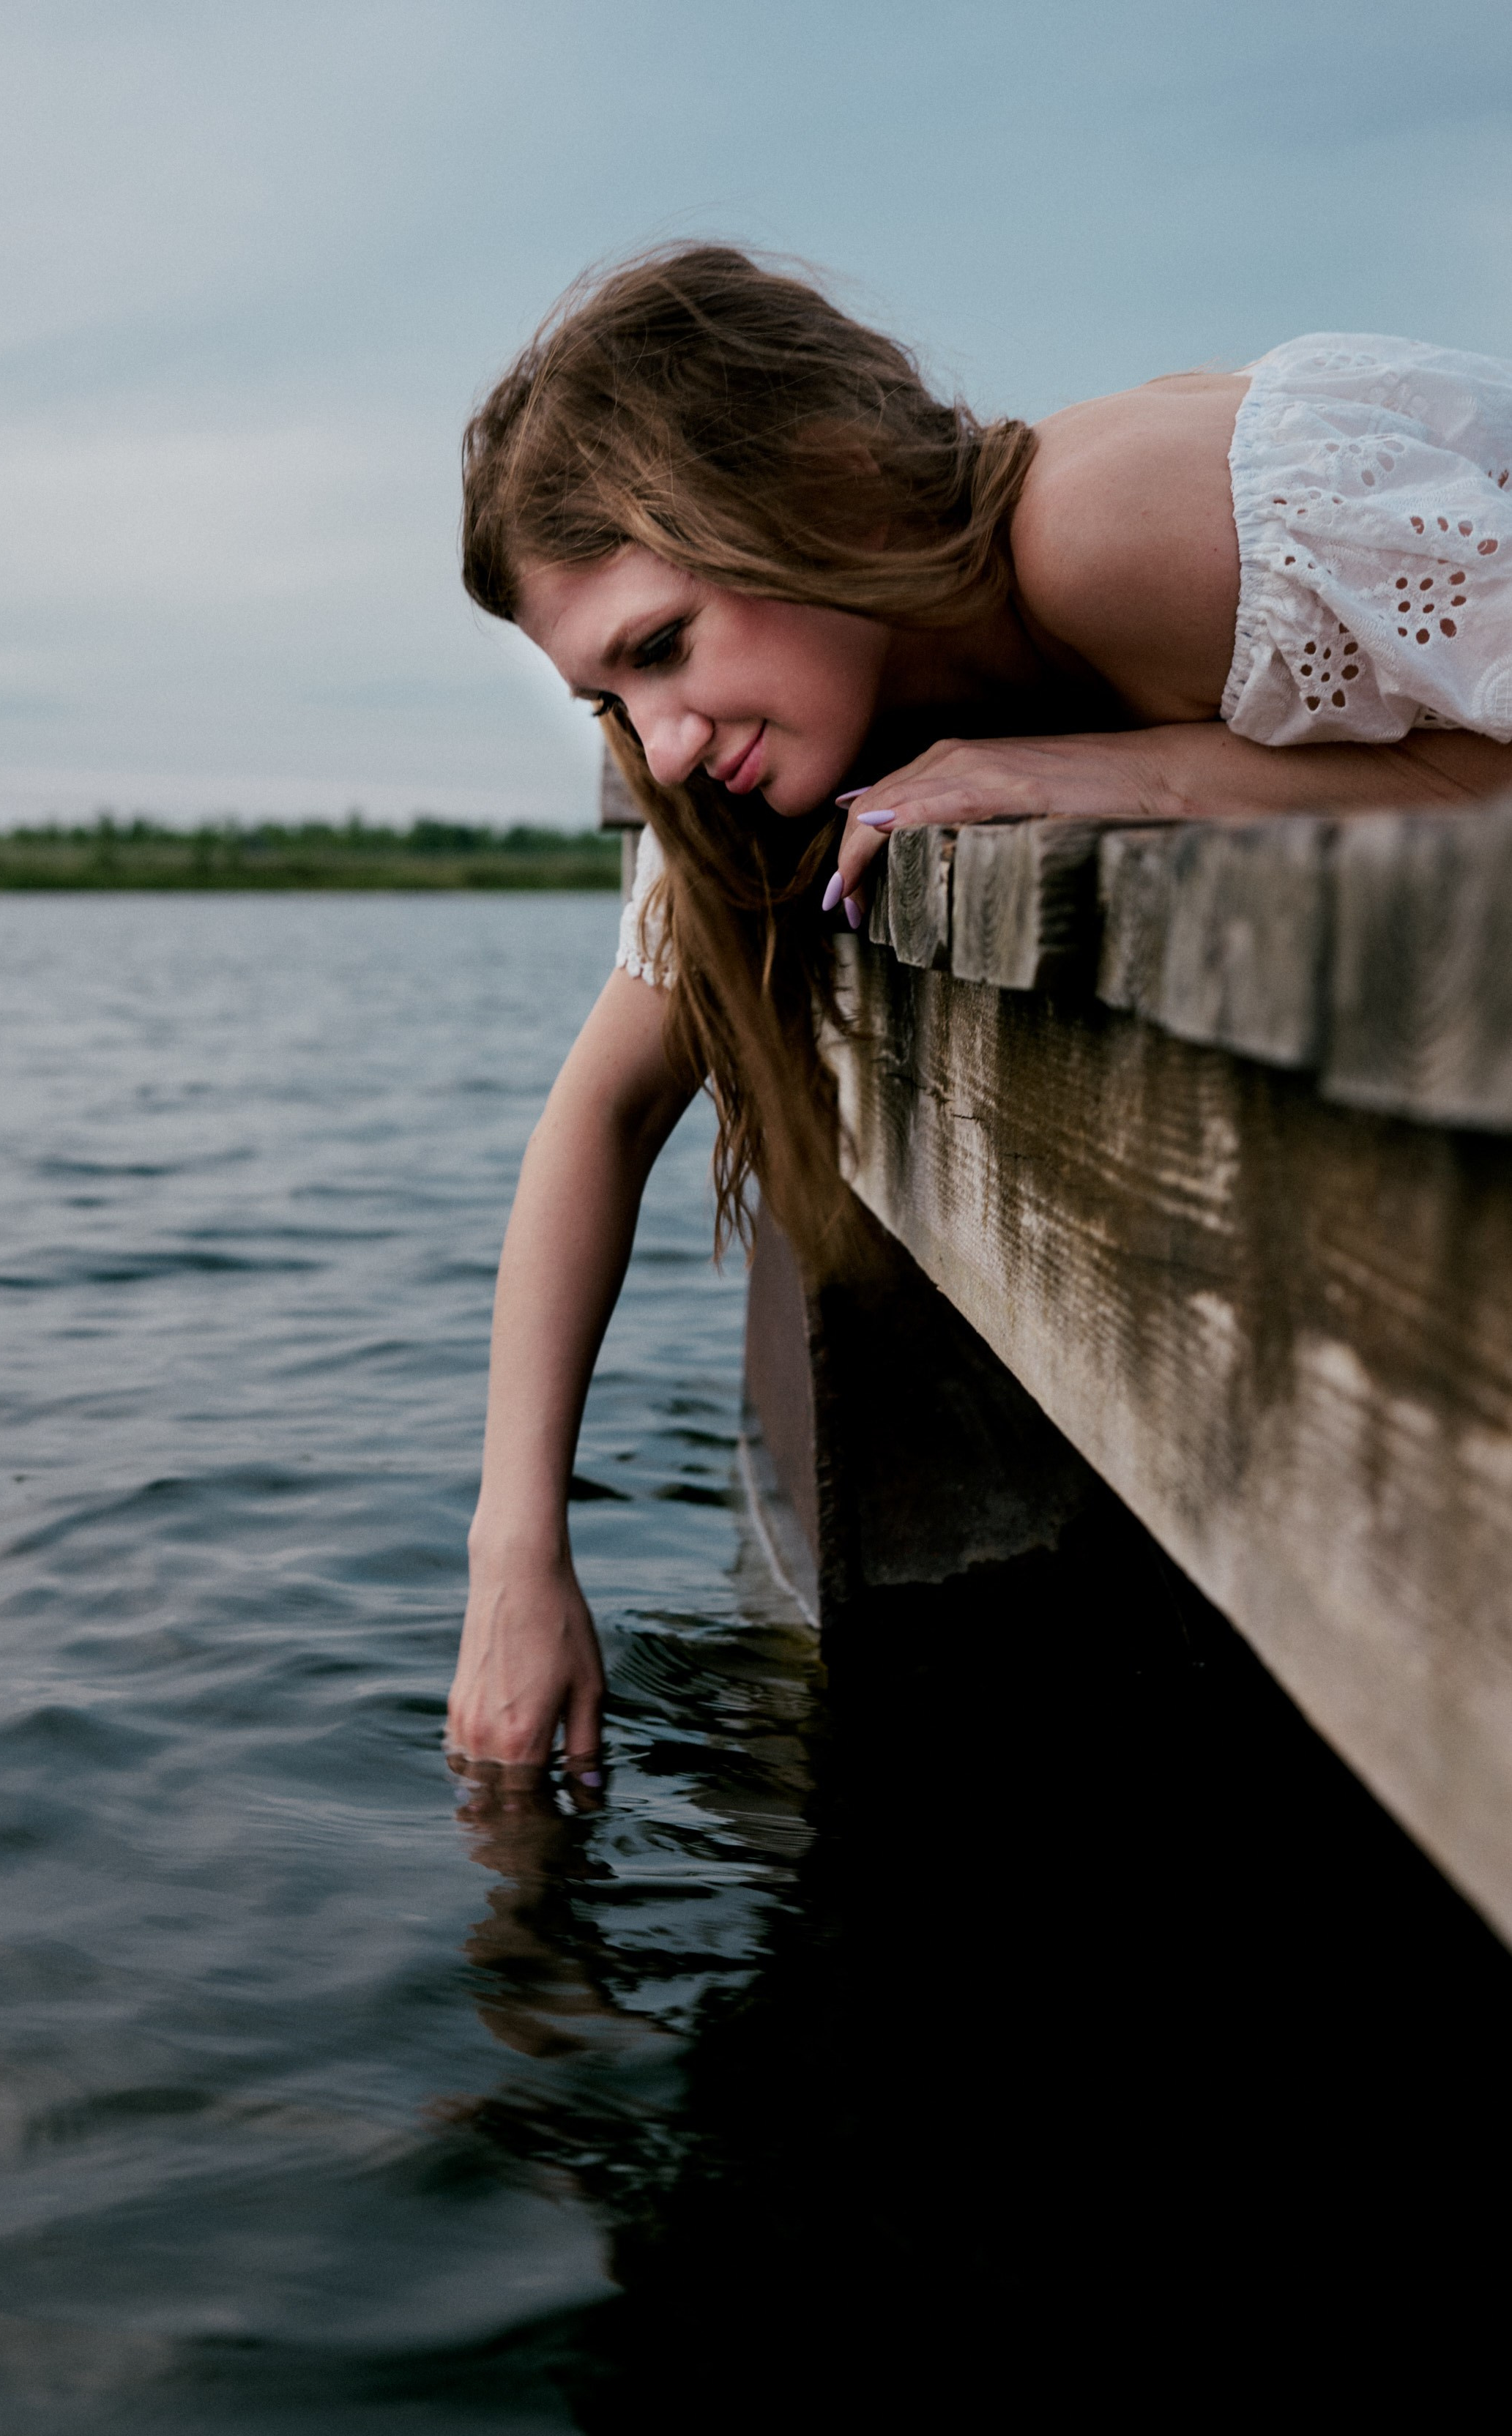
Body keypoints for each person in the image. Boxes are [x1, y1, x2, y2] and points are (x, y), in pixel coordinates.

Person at [445, 244, 1512, 1778]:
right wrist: (514, 1559)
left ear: (820, 484)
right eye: (613, 701)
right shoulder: (835, 742)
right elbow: (602, 1113)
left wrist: (1125, 778)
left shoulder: (1101, 524)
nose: (660, 752)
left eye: (664, 645)